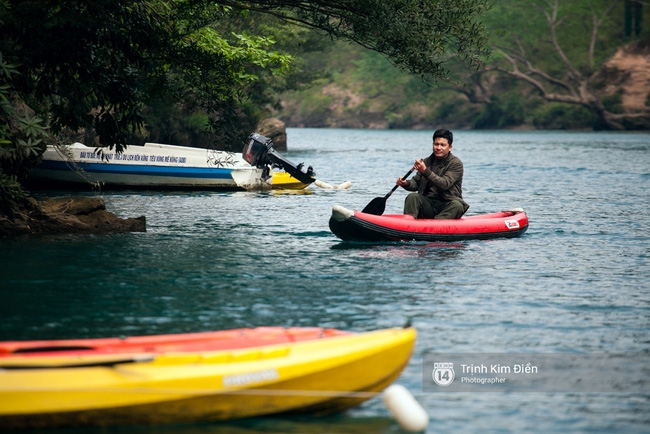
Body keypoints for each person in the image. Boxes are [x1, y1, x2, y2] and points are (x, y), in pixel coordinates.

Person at [396, 129, 469, 219]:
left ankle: (435, 226)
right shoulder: (426, 161)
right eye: (436, 144)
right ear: (432, 144)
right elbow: (415, 183)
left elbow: (444, 184)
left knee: (457, 205)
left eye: (442, 145)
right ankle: (407, 226)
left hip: (447, 204)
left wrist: (425, 171)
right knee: (412, 197)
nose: (438, 148)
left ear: (450, 147)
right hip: (428, 203)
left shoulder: (456, 163)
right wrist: (405, 183)